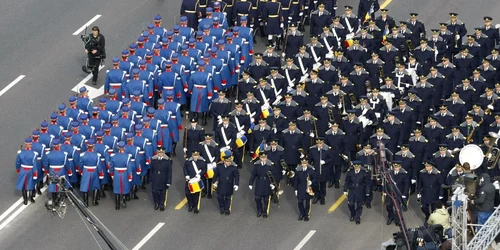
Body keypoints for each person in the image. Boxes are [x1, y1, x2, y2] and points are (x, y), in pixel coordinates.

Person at [344, 160, 370, 224]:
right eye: (355, 167)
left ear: (360, 166)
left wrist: (367, 191)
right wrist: (345, 190)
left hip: (360, 191)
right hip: (352, 190)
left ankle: (358, 217)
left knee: (359, 205)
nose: (356, 168)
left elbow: (367, 183)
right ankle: (353, 214)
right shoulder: (350, 173)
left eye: (357, 167)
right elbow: (347, 181)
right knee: (351, 204)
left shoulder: (364, 173)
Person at [249, 152, 275, 218]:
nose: (264, 159)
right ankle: (259, 210)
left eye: (265, 157)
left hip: (267, 183)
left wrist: (273, 184)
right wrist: (250, 183)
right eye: (262, 158)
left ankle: (265, 212)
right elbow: (253, 175)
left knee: (266, 199)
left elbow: (273, 176)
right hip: (259, 182)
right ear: (260, 158)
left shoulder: (270, 165)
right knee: (257, 198)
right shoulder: (256, 165)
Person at [150, 147, 173, 211]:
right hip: (155, 177)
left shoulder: (168, 160)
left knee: (163, 192)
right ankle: (156, 203)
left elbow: (169, 172)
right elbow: (151, 170)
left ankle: (162, 204)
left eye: (162, 152)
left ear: (164, 152)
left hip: (163, 178)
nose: (160, 154)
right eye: (159, 152)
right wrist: (150, 178)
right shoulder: (153, 159)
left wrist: (169, 181)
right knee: (155, 192)